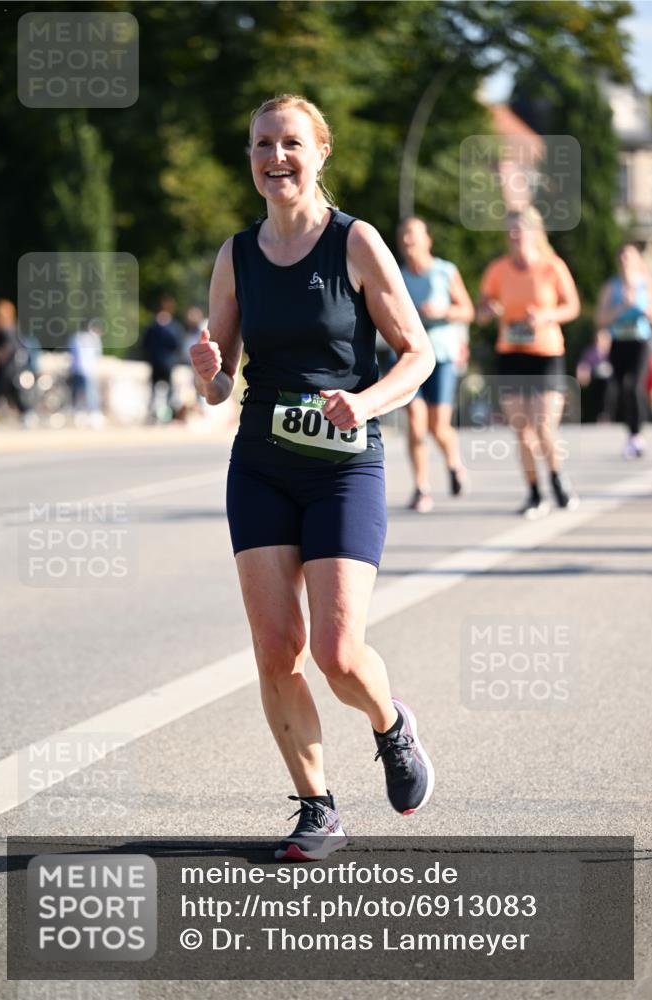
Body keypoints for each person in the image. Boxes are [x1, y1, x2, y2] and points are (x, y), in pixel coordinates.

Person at [190, 94, 435, 861]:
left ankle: (391, 726)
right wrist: (206, 373)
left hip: (342, 469)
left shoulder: (355, 243)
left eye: (290, 142)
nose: (275, 158)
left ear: (320, 152)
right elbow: (219, 381)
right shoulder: (236, 254)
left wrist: (359, 403)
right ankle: (315, 807)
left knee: (336, 652)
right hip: (260, 464)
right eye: (262, 144)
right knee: (275, 650)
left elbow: (416, 354)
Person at [476, 207, 581, 518]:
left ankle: (558, 478)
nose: (514, 236)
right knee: (522, 429)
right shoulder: (498, 269)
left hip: (547, 353)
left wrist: (548, 316)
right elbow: (481, 311)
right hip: (511, 354)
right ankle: (535, 493)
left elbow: (572, 306)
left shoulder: (552, 267)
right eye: (510, 231)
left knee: (544, 425)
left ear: (534, 232)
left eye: (519, 230)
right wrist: (490, 311)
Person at [397, 217, 474, 512]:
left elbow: (467, 310)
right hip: (407, 357)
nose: (408, 241)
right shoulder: (398, 276)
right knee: (416, 422)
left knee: (437, 425)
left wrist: (444, 311)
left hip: (441, 355)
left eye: (413, 235)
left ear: (428, 239)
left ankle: (454, 463)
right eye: (403, 236)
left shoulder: (445, 271)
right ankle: (421, 487)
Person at [596, 243, 652, 458]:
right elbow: (601, 320)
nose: (624, 261)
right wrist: (621, 308)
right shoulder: (611, 287)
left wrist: (641, 309)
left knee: (634, 386)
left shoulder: (647, 285)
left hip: (641, 342)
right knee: (620, 387)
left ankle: (637, 435)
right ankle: (632, 435)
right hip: (619, 343)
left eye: (629, 257)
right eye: (621, 257)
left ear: (637, 260)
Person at [0, 299, 36, 424]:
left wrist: (4, 357)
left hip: (7, 368)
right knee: (14, 392)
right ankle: (27, 414)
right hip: (16, 367)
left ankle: (26, 413)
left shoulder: (5, 330)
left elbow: (7, 346)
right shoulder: (14, 328)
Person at [142, 295, 183, 422]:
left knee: (167, 390)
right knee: (155, 390)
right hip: (159, 362)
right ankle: (155, 414)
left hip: (165, 362)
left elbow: (176, 344)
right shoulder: (159, 326)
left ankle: (168, 415)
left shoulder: (169, 326)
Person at [67, 319, 103, 426]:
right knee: (91, 393)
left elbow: (71, 352)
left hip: (77, 369)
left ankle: (78, 413)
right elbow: (97, 354)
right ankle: (92, 414)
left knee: (78, 393)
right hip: (88, 370)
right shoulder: (93, 338)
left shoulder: (75, 338)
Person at [575, 329, 613, 424]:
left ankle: (606, 414)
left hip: (610, 380)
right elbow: (584, 364)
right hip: (596, 379)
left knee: (608, 389)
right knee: (598, 391)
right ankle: (599, 415)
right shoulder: (590, 351)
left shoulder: (612, 351)